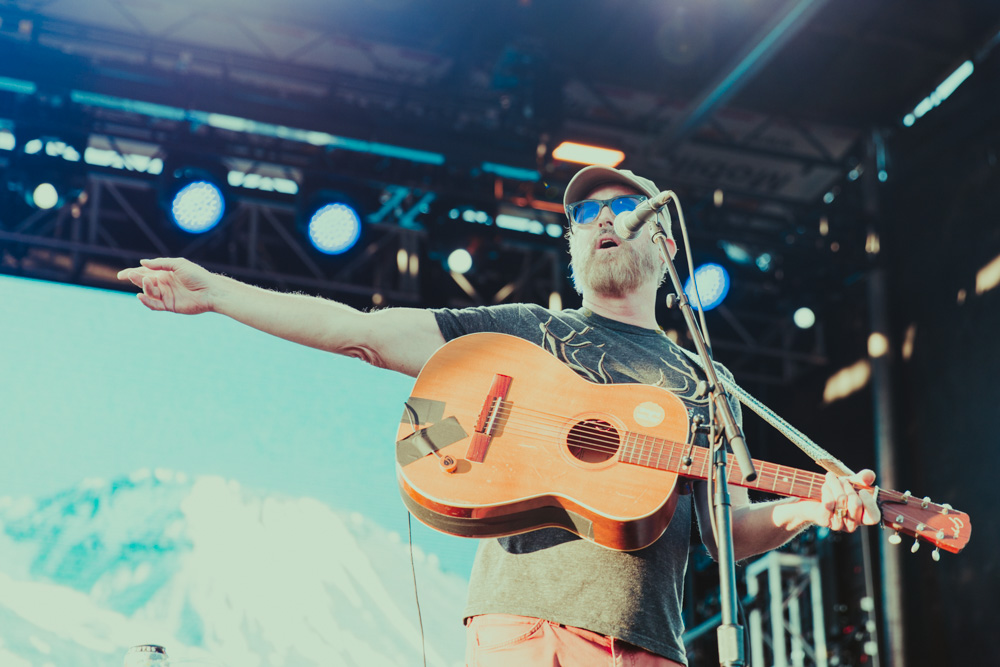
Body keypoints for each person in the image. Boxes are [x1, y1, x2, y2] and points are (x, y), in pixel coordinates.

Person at [118, 165, 880, 667]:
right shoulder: (527, 330)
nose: (603, 218)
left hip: (643, 644)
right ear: (575, 247)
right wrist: (218, 292)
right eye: (584, 214)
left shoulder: (704, 380)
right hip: (515, 629)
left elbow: (729, 529)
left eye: (623, 207)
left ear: (666, 239)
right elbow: (365, 332)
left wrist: (812, 508)